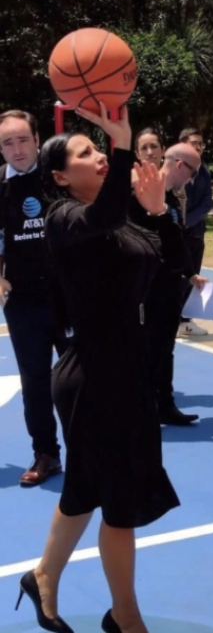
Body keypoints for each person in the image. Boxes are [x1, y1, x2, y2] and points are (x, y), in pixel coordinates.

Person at [22, 104, 180, 633]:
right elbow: (104, 217)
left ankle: (43, 578)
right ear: (62, 177)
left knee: (86, 489)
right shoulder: (63, 217)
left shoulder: (123, 217)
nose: (100, 158)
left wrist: (157, 212)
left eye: (100, 150)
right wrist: (120, 139)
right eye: (86, 152)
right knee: (119, 502)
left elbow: (165, 270)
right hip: (95, 376)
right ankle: (125, 617)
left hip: (125, 368)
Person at [0, 110, 70, 487]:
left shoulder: (57, 176)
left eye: (22, 139)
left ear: (37, 138)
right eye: (7, 143)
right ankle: (46, 454)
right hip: (23, 301)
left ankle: (93, 449)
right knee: (35, 381)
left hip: (67, 295)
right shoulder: (0, 185)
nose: (16, 149)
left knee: (81, 376)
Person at [129, 142, 207, 426]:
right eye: (192, 171)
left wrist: (189, 273)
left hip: (169, 286)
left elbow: (176, 239)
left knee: (165, 348)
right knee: (146, 348)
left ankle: (164, 403)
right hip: (147, 286)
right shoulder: (142, 191)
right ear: (179, 165)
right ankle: (144, 406)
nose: (192, 178)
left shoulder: (172, 199)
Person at [178, 127, 212, 337]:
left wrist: (187, 222)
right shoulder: (173, 168)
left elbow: (207, 203)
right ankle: (170, 318)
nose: (198, 147)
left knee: (194, 276)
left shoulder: (204, 172)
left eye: (200, 143)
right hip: (175, 233)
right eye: (194, 143)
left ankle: (186, 321)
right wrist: (177, 223)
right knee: (175, 276)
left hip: (195, 232)